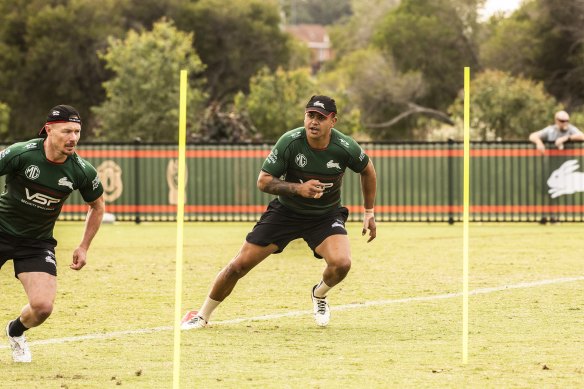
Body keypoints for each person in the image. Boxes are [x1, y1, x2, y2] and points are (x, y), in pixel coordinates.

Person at [182, 95, 377, 330]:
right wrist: (298, 189)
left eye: (320, 118)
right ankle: (201, 316)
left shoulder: (345, 146)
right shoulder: (290, 142)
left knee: (342, 264)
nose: (313, 122)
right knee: (238, 266)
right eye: (310, 115)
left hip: (325, 216)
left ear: (333, 121)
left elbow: (368, 170)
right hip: (286, 213)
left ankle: (319, 294)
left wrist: (369, 212)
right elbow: (263, 182)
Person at [0, 105, 105, 362]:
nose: (73, 138)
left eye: (77, 131)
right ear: (49, 130)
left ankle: (15, 332)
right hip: (1, 230)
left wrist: (83, 246)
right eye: (67, 131)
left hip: (36, 242)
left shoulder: (81, 170)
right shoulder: (21, 154)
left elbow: (98, 206)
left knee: (43, 308)